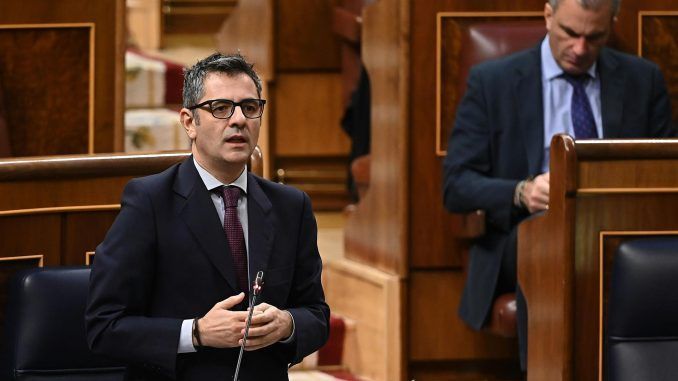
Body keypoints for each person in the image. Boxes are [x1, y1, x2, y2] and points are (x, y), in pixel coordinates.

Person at [442, 0, 675, 369]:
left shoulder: (642, 80)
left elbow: (668, 174)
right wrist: (522, 191)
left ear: (612, 24)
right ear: (548, 16)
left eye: (594, 37)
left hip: (621, 232)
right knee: (550, 241)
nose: (580, 49)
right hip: (524, 232)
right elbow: (456, 184)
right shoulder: (494, 82)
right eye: (570, 33)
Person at [86, 53, 330, 380]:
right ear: (189, 122)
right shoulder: (150, 202)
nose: (239, 120)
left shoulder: (291, 206)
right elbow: (105, 325)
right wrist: (196, 333)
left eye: (250, 108)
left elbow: (316, 314)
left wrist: (288, 325)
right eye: (221, 108)